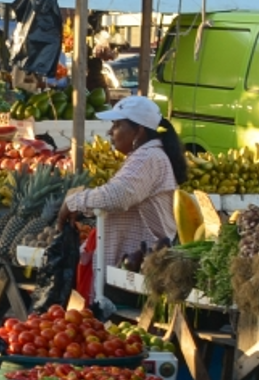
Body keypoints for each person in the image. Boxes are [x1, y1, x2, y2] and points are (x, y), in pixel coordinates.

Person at [58, 95, 188, 268]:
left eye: (117, 125)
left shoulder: (148, 157)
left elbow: (118, 195)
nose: (110, 132)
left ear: (139, 131)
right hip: (132, 265)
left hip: (139, 269)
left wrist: (74, 202)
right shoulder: (148, 155)